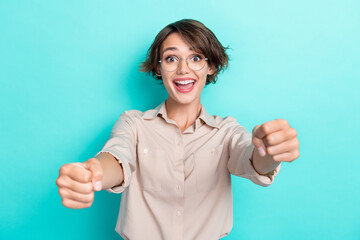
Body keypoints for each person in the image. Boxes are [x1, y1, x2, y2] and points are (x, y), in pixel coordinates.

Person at [56, 19, 300, 240]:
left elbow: (254, 160)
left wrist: (269, 151)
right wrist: (93, 172)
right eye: (172, 58)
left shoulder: (226, 131)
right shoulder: (134, 124)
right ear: (159, 68)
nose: (184, 69)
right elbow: (117, 156)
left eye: (196, 58)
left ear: (211, 66)